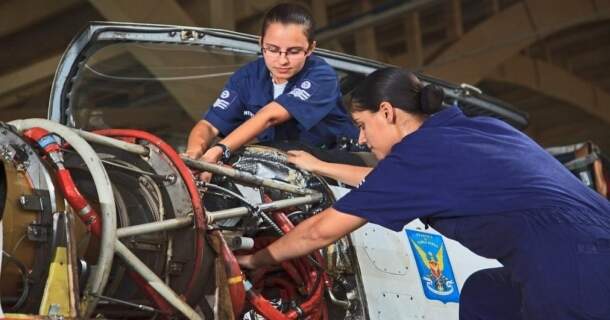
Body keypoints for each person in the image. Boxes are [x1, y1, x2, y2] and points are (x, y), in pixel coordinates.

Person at [236, 67, 610, 320]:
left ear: (387, 112)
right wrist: (323, 168)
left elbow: (321, 232)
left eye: (362, 126)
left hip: (572, 271)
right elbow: (393, 181)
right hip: (593, 251)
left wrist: (255, 261)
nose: (361, 138)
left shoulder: (417, 161)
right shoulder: (479, 131)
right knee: (486, 294)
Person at [185, 3, 358, 164]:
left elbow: (270, 116)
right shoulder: (246, 79)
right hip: (287, 169)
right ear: (261, 43)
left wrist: (221, 149)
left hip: (338, 164)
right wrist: (194, 155)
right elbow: (208, 126)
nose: (282, 60)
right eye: (273, 49)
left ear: (311, 49)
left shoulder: (321, 76)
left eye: (294, 51)